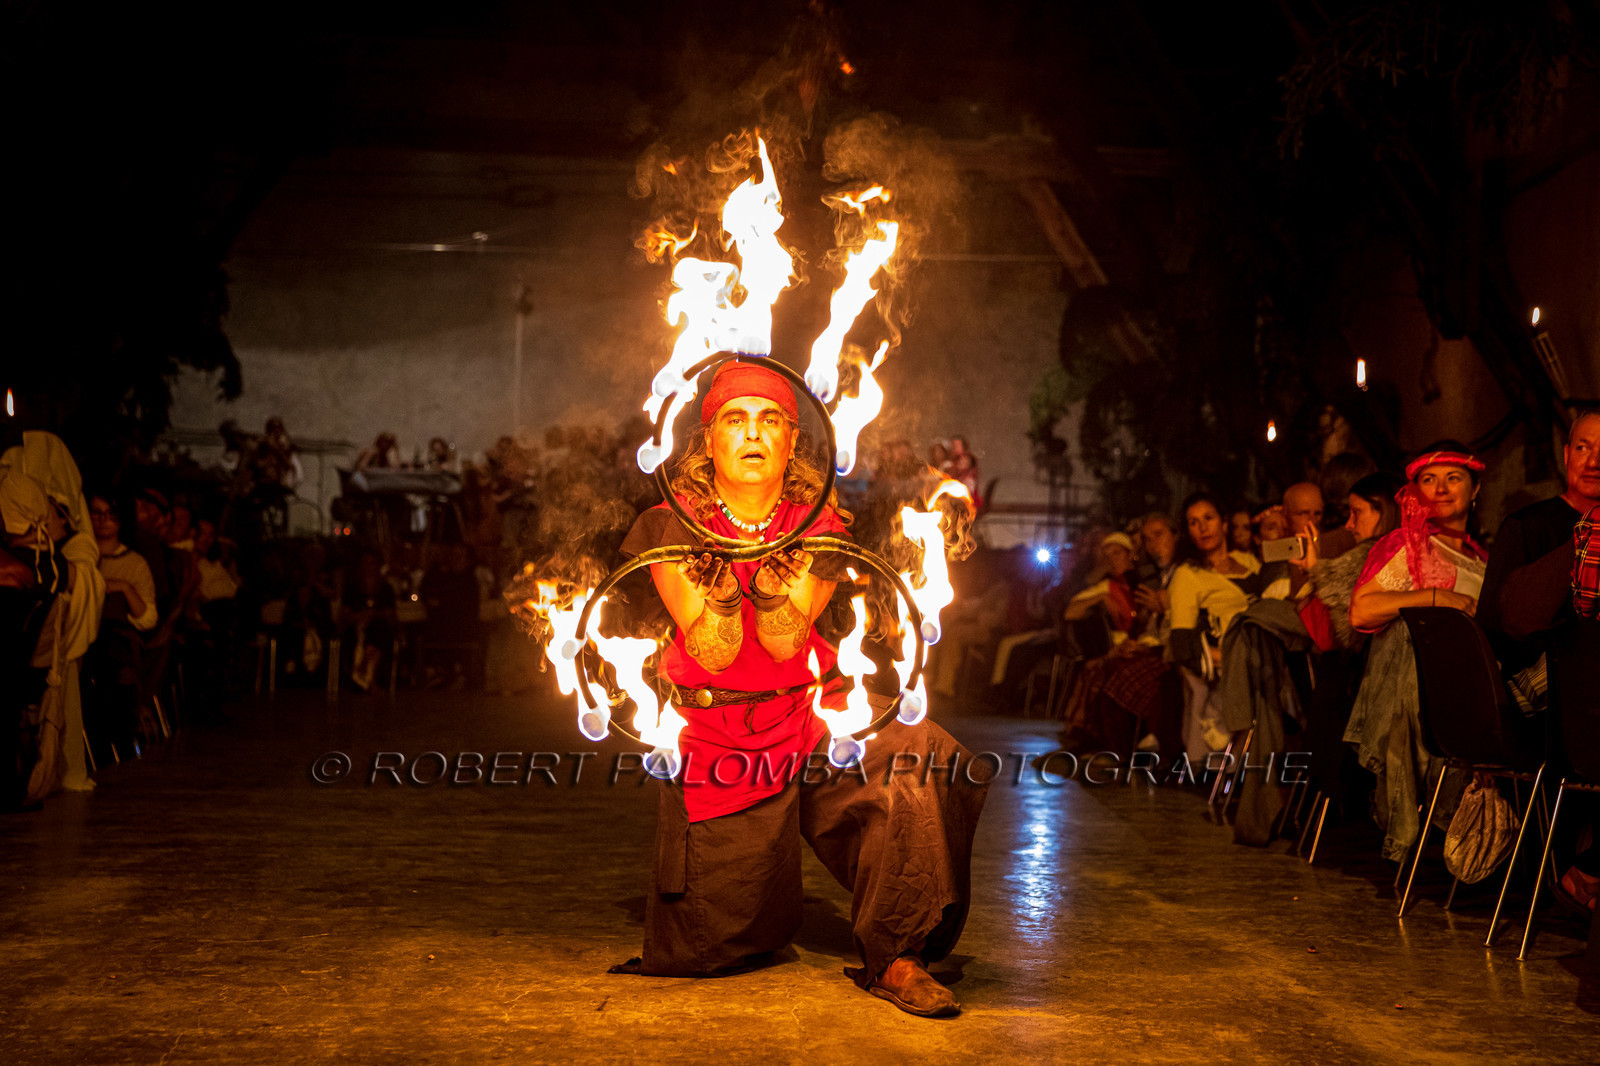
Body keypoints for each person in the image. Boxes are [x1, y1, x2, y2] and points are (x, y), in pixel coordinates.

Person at [613, 359, 987, 1017]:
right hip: (720, 734)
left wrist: (775, 579)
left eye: (769, 420)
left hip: (813, 716)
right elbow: (715, 650)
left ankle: (899, 955)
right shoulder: (672, 523)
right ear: (708, 440)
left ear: (791, 440)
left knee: (919, 751)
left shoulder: (818, 523)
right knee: (712, 948)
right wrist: (725, 593)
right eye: (735, 419)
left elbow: (786, 640)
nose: (753, 433)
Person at [1345, 443, 1487, 864]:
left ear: (1475, 489)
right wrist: (1435, 596)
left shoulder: (1483, 558)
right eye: (1429, 480)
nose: (1440, 489)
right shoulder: (1406, 545)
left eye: (1453, 478)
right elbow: (1362, 609)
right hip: (1424, 696)